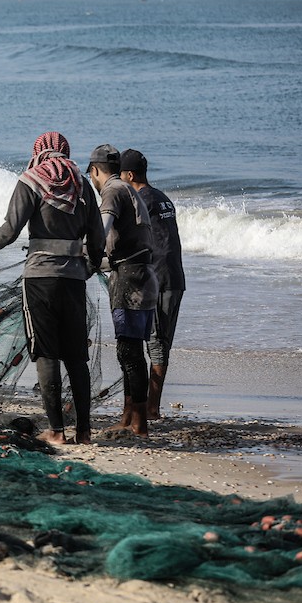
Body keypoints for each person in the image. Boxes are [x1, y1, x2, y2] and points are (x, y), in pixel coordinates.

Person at [0, 132, 104, 446]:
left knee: (47, 354)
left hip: (39, 279)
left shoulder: (31, 180)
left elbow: (11, 229)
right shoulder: (83, 185)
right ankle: (85, 432)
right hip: (74, 281)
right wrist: (86, 269)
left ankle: (57, 431)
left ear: (38, 152)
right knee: (77, 357)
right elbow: (98, 241)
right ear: (66, 151)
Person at [86, 144, 159, 437]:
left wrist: (85, 257)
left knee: (129, 353)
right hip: (144, 276)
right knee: (131, 351)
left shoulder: (111, 191)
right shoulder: (127, 189)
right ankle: (129, 416)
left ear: (94, 171)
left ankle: (139, 423)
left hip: (129, 281)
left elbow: (100, 234)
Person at [120, 149, 185, 420]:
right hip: (175, 278)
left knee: (153, 343)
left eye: (120, 175)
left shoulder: (140, 200)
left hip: (156, 279)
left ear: (130, 175)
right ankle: (150, 406)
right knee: (161, 342)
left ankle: (151, 409)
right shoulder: (162, 197)